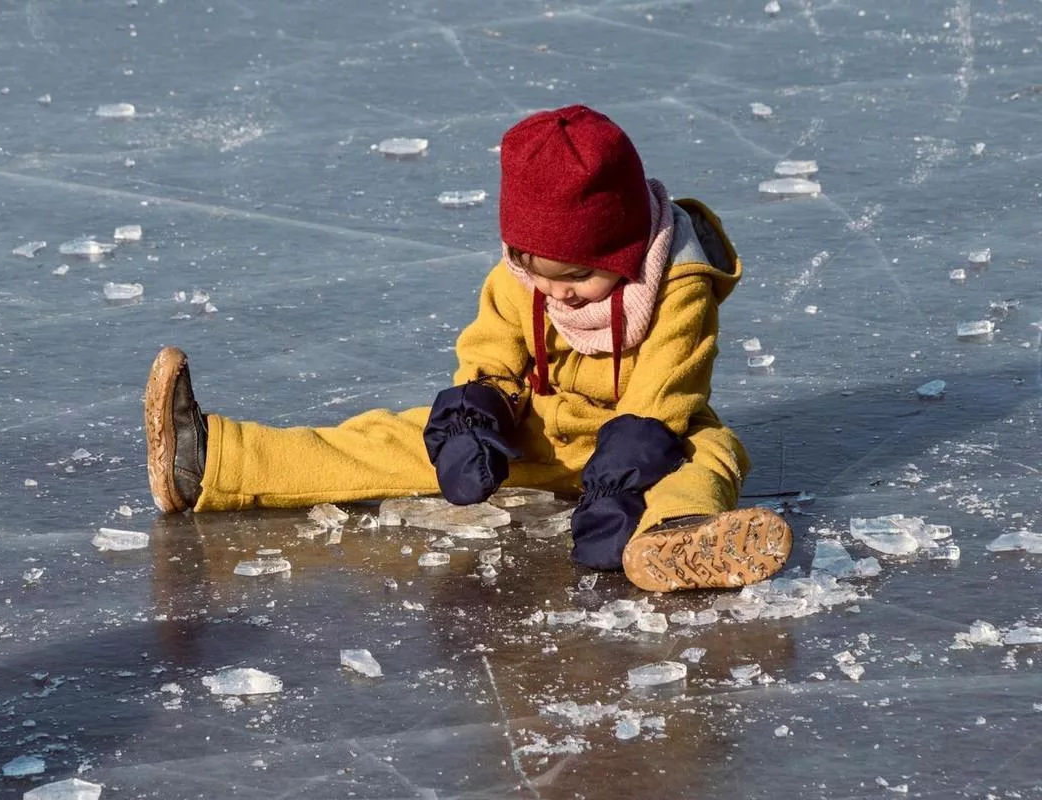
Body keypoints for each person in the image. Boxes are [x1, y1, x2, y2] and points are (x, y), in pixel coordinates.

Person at [143, 104, 792, 593]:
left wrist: (621, 484)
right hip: (540, 430)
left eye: (578, 278)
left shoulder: (678, 285)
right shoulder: (523, 278)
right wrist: (473, 424)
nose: (556, 295)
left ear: (624, 252)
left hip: (648, 443)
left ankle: (670, 537)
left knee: (711, 455)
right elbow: (492, 353)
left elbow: (666, 394)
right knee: (393, 439)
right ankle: (216, 462)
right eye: (537, 272)